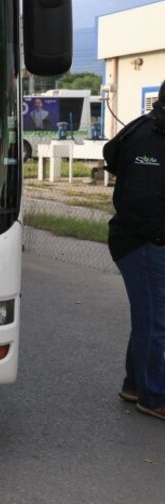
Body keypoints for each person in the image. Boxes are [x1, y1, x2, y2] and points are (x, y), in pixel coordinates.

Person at [104, 80, 165, 421]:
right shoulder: (149, 138)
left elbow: (111, 157)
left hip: (146, 239)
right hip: (142, 243)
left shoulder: (149, 128)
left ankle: (134, 384)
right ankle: (153, 395)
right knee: (156, 322)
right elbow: (143, 203)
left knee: (149, 317)